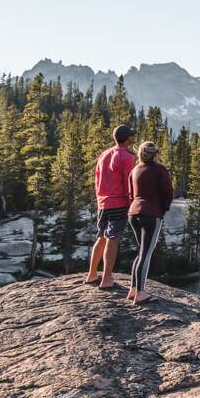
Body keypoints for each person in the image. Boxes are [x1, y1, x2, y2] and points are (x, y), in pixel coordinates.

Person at [84, 124, 137, 288]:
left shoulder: (104, 155)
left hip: (103, 203)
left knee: (101, 237)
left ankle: (92, 275)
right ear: (128, 139)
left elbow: (97, 179)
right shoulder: (127, 157)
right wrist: (132, 204)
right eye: (131, 136)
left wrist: (100, 199)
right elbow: (129, 184)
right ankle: (107, 279)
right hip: (119, 202)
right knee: (112, 240)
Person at [126, 140, 173, 305]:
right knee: (146, 254)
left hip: (133, 213)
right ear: (155, 154)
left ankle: (133, 289)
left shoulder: (134, 170)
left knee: (141, 252)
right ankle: (140, 293)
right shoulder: (159, 169)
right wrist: (163, 209)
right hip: (151, 215)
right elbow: (168, 192)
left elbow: (131, 194)